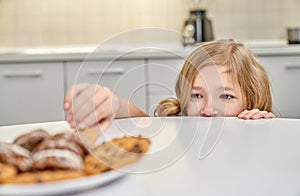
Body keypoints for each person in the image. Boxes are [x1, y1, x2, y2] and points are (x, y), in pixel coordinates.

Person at [64, 39, 275, 131]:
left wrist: (265, 128)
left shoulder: (258, 127)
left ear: (253, 100)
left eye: (226, 97)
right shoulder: (179, 124)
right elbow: (141, 121)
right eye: (197, 95)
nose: (208, 110)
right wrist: (113, 104)